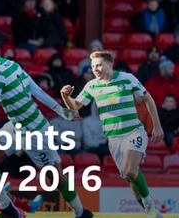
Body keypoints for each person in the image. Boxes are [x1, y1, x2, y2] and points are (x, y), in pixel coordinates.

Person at [0, 36, 91, 218]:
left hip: (35, 132)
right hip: (16, 127)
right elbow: (37, 90)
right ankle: (8, 209)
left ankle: (81, 212)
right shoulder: (12, 65)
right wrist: (62, 111)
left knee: (56, 178)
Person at [61, 51, 165, 218]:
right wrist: (65, 97)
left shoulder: (127, 78)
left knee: (130, 170)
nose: (95, 69)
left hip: (133, 131)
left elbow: (148, 99)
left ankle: (150, 206)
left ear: (110, 65)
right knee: (131, 181)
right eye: (93, 66)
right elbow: (74, 106)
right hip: (114, 139)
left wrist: (157, 126)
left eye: (99, 65)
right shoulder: (92, 86)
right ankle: (152, 214)